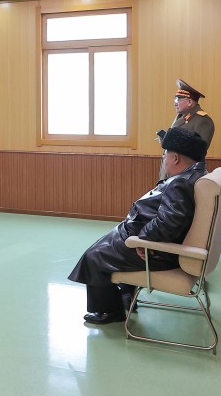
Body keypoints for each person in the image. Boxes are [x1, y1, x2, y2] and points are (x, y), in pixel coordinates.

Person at [68, 128, 209, 324]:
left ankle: (110, 311)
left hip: (156, 251)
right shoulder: (196, 174)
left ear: (175, 158)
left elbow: (170, 222)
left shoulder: (181, 184)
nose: (164, 160)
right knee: (103, 245)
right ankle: (126, 293)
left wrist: (143, 240)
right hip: (153, 240)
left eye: (165, 155)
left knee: (94, 257)